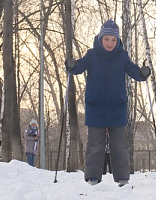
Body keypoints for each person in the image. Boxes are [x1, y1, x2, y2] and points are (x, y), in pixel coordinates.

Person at [65, 19, 151, 187]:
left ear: (117, 41)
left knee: (118, 144)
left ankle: (122, 177)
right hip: (95, 106)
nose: (110, 43)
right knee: (95, 143)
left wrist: (142, 73)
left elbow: (134, 71)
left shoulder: (122, 57)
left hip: (116, 106)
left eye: (113, 40)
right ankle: (93, 177)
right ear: (100, 39)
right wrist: (72, 65)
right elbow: (79, 67)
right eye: (107, 39)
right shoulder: (92, 55)